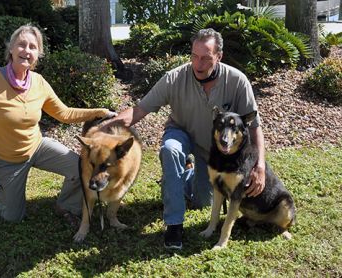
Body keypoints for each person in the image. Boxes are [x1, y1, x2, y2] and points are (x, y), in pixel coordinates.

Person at [104, 28, 266, 249]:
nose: (198, 64)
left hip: (214, 153)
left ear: (219, 56)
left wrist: (260, 166)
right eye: (194, 56)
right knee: (170, 149)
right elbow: (139, 110)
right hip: (181, 134)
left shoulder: (237, 81)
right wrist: (105, 127)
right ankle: (174, 225)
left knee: (202, 202)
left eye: (206, 58)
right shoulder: (174, 78)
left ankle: (185, 173)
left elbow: (254, 127)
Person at [0, 24, 115, 223]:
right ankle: (4, 192)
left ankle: (66, 206)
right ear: (11, 49)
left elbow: (64, 113)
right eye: (21, 45)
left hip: (37, 147)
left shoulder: (38, 82)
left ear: (38, 54)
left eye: (32, 47)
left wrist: (99, 112)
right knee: (12, 218)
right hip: (6, 160)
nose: (26, 51)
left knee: (81, 166)